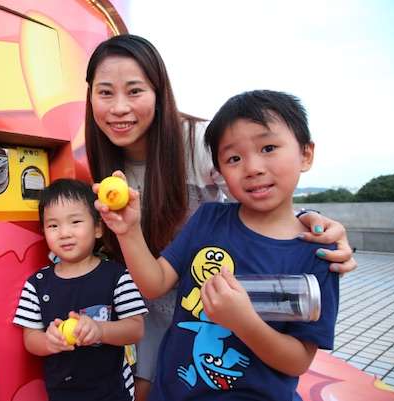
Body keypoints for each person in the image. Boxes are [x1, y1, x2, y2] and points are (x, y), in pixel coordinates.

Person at [84, 33, 355, 401]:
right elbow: (153, 281)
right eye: (105, 93)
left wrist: (312, 221)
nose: (119, 108)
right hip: (169, 312)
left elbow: (263, 190)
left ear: (160, 91)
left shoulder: (195, 141)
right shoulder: (103, 163)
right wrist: (127, 229)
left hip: (219, 315)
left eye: (134, 91)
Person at [13, 178, 148, 401]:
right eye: (53, 225)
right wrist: (49, 341)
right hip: (62, 394)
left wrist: (100, 330)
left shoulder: (117, 276)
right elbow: (30, 339)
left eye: (75, 222)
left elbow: (136, 329)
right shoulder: (37, 284)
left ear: (97, 228)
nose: (64, 233)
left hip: (113, 392)